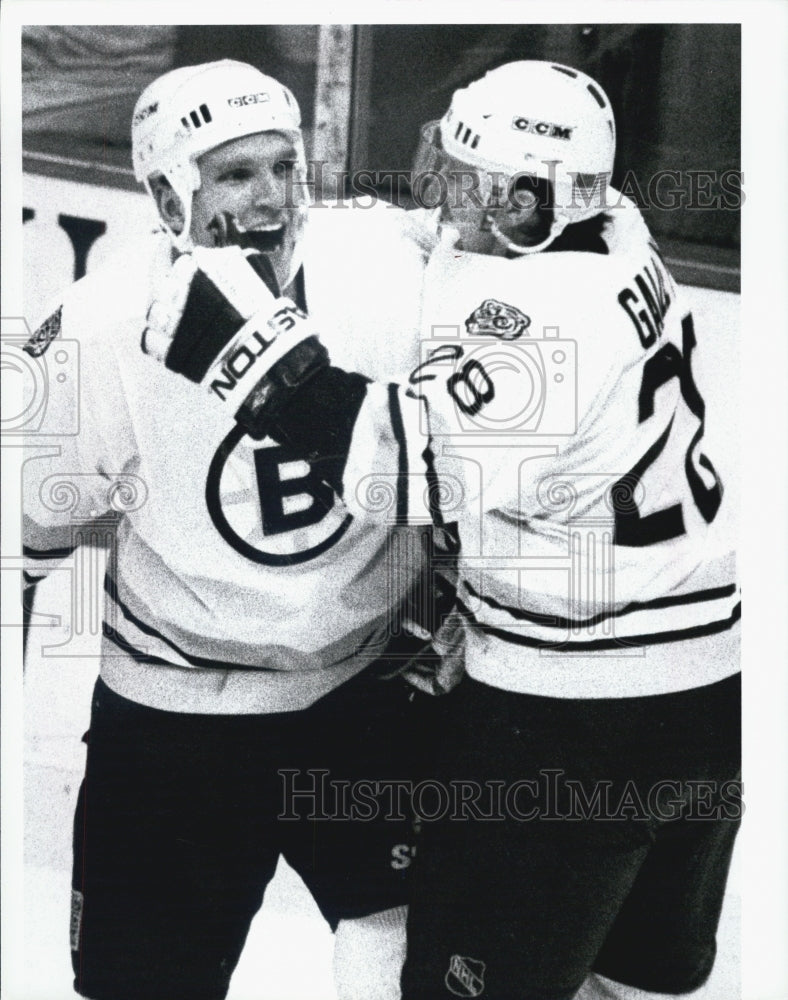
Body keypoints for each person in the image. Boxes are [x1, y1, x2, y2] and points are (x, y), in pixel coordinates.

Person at [183, 61, 740, 1000]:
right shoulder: (615, 227)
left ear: (528, 202)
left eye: (468, 181)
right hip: (709, 686)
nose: (443, 195)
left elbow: (401, 474)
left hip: (572, 720)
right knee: (643, 977)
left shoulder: (535, 319)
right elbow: (463, 242)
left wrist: (252, 362)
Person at [22, 59, 453, 1000]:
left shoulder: (388, 260)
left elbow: (474, 444)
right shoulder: (100, 326)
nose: (271, 200)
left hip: (360, 697)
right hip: (176, 724)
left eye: (283, 167)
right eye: (235, 174)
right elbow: (20, 533)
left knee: (411, 948)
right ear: (167, 190)